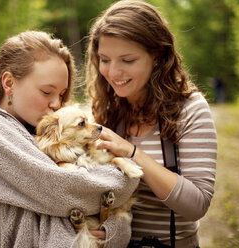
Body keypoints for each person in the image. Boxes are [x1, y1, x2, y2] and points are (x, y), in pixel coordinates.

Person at [0, 30, 140, 248]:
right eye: (47, 92)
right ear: (9, 83)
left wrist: (111, 230)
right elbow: (69, 190)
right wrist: (125, 177)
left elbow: (105, 204)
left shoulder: (39, 133)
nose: (57, 104)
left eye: (61, 94)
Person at [85, 1, 217, 247]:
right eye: (105, 59)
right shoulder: (105, 109)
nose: (113, 73)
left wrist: (132, 152)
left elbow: (197, 205)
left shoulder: (190, 110)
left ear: (156, 57)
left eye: (127, 60)